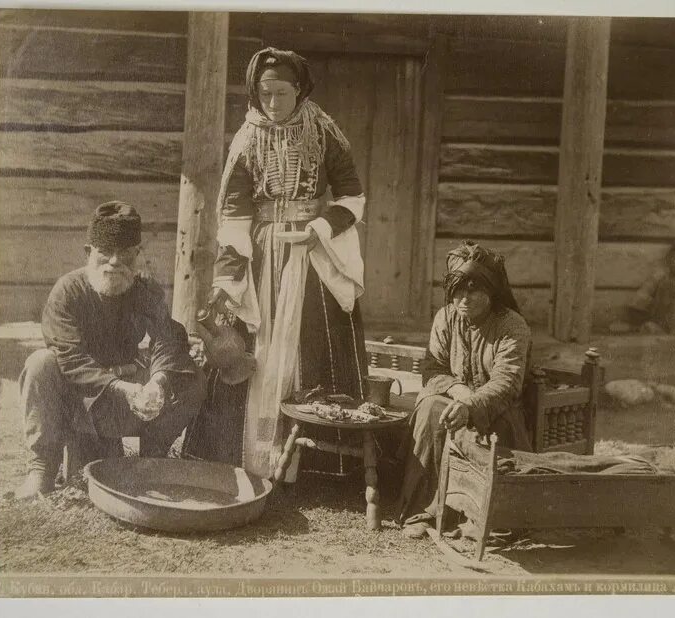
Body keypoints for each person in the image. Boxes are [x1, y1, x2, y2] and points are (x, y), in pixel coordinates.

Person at [182, 48, 368, 478]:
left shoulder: (324, 131)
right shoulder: (248, 137)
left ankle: (319, 464)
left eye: (281, 93)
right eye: (265, 94)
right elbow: (234, 213)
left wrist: (318, 228)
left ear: (299, 89)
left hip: (311, 251)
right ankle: (243, 455)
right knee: (251, 344)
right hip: (262, 251)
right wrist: (231, 273)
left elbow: (352, 198)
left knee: (311, 345)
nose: (273, 103)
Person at [10, 202, 205, 500]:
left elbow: (169, 335)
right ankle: (42, 471)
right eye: (105, 252)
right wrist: (120, 386)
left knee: (190, 375)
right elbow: (70, 358)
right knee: (41, 363)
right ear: (89, 252)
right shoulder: (67, 292)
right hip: (78, 400)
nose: (115, 262)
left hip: (127, 404)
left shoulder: (145, 291)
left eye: (125, 253)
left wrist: (158, 380)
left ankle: (149, 462)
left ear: (137, 255)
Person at [394, 241, 533, 538]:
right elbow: (433, 369)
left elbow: (506, 383)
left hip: (497, 410)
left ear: (491, 292)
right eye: (458, 291)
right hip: (455, 399)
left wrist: (472, 406)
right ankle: (427, 510)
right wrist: (458, 392)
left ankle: (483, 516)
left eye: (473, 290)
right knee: (431, 408)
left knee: (494, 425)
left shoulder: (512, 326)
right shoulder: (446, 317)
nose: (464, 298)